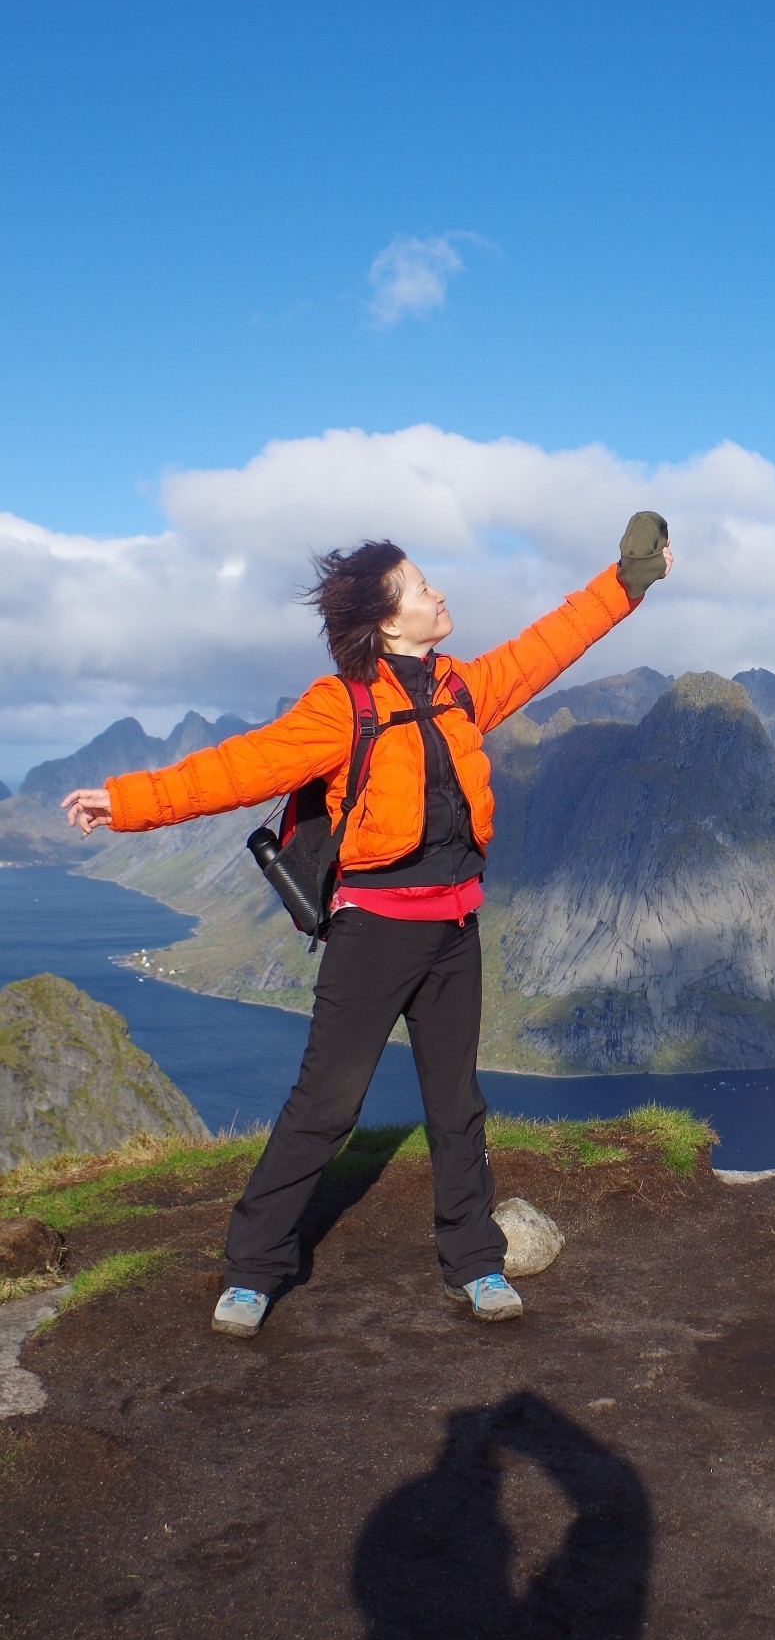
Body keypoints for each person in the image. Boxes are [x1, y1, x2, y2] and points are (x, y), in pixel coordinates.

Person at [62, 513, 672, 1338]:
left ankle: (475, 1263)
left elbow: (550, 643)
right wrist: (126, 801)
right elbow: (237, 768)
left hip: (456, 931)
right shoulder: (338, 708)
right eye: (423, 587)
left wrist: (626, 582)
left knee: (457, 1106)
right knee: (325, 1107)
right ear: (389, 619)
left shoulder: (464, 687)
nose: (439, 592)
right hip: (373, 934)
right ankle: (253, 1269)